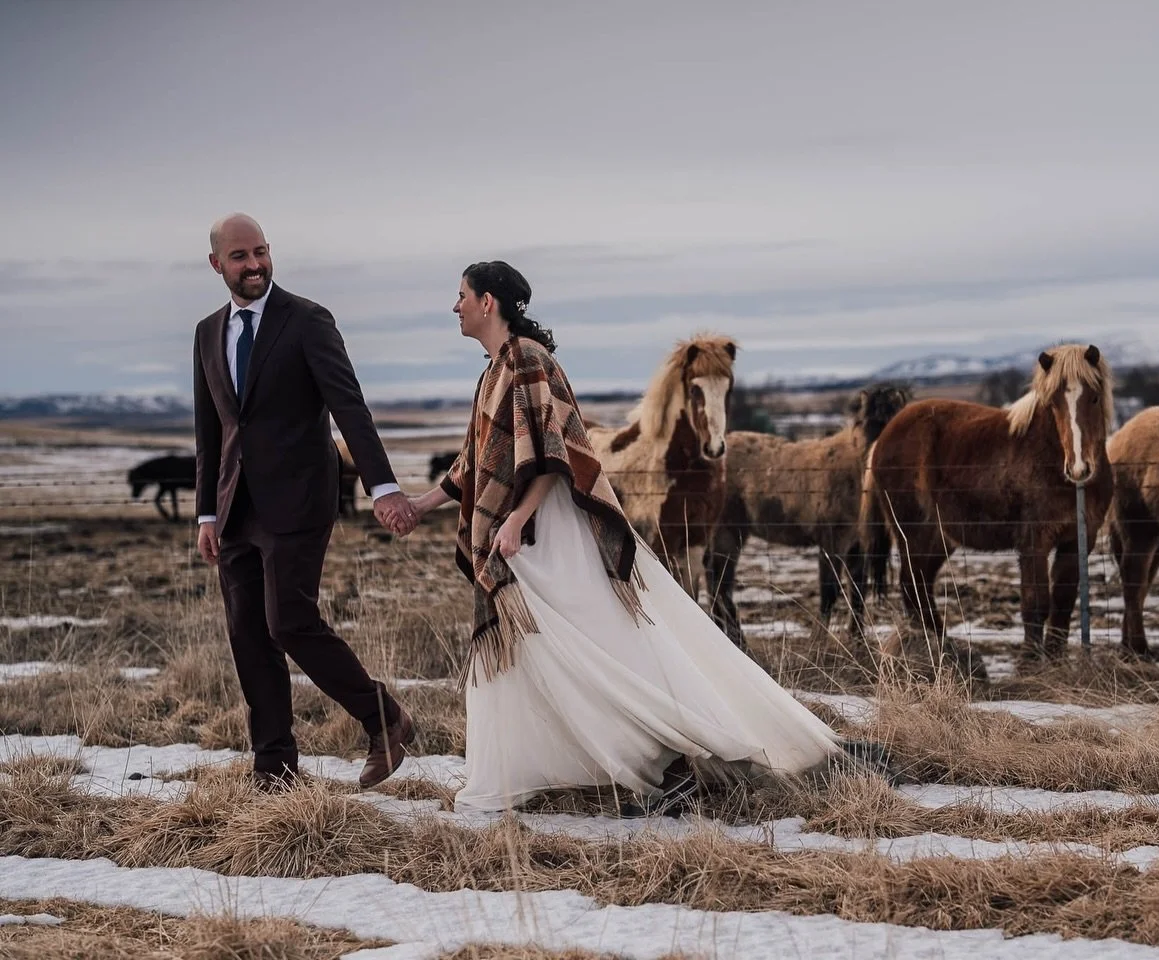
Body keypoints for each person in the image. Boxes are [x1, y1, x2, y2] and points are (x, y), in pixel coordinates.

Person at [406, 261, 841, 815]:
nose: (456, 305)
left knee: (596, 643)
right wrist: (421, 505)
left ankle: (667, 760)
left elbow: (554, 456)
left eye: (461, 295)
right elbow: (477, 462)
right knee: (543, 652)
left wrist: (515, 519)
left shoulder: (529, 363)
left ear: (488, 302)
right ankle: (568, 765)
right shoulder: (495, 369)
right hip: (524, 539)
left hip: (549, 533)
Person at [193, 213, 419, 791]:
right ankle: (274, 771)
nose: (255, 265)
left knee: (288, 622)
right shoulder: (206, 332)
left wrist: (383, 486)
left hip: (298, 500)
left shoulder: (308, 321)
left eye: (261, 252)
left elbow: (350, 406)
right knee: (247, 634)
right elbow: (211, 430)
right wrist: (207, 512)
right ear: (217, 264)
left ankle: (384, 719)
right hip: (235, 506)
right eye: (240, 256)